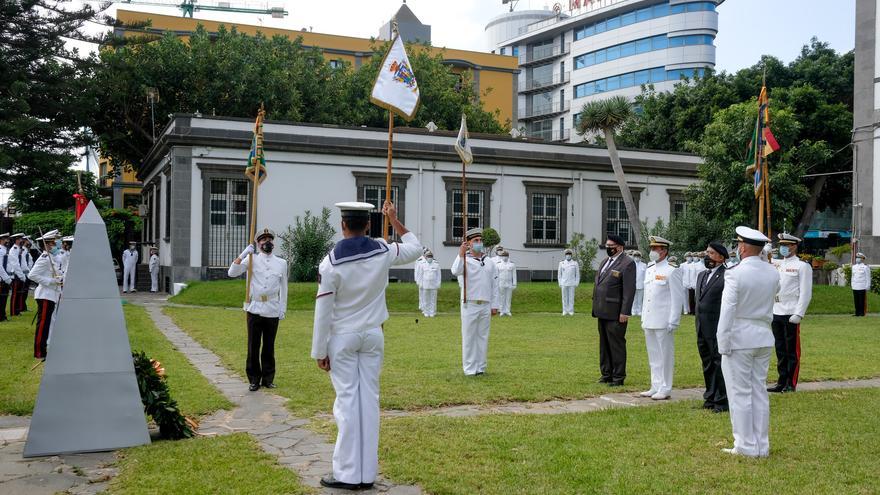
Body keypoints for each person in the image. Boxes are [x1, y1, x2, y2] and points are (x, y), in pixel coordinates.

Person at [311, 202, 420, 491]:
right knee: (368, 401)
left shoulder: (330, 262)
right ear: (368, 225)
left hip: (343, 337)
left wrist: (319, 351)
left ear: (342, 225)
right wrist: (395, 220)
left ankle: (348, 473)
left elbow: (323, 311)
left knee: (347, 403)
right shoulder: (383, 250)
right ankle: (366, 473)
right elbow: (416, 247)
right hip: (373, 335)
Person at [717, 226, 779, 458]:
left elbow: (728, 311)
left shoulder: (735, 273)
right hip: (763, 335)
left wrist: (722, 341)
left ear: (742, 247)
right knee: (758, 391)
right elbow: (777, 290)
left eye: (738, 244)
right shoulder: (773, 272)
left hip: (740, 336)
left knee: (740, 393)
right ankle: (761, 445)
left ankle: (745, 445)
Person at [229, 228, 288, 392]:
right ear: (257, 243)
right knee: (253, 346)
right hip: (254, 308)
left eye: (269, 239)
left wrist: (282, 308)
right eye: (263, 239)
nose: (267, 242)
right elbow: (231, 272)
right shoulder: (251, 259)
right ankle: (254, 379)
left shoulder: (281, 263)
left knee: (269, 346)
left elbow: (284, 288)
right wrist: (243, 254)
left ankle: (268, 379)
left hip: (272, 308)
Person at [639, 236, 684, 400]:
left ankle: (665, 387)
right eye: (651, 249)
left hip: (664, 320)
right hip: (650, 318)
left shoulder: (672, 270)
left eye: (655, 249)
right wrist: (643, 317)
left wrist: (673, 320)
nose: (652, 252)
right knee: (653, 355)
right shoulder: (650, 268)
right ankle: (655, 385)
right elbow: (647, 296)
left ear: (664, 251)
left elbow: (677, 298)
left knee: (665, 355)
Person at [451, 228, 499, 376]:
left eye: (480, 240)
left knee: (483, 337)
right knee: (469, 337)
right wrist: (460, 253)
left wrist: (495, 305)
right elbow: (455, 271)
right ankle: (470, 368)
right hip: (469, 303)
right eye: (475, 241)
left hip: (485, 304)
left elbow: (494, 285)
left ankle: (481, 367)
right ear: (469, 243)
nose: (479, 243)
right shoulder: (464, 259)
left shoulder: (489, 262)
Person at [768, 233, 813, 394]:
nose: (783, 248)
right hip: (776, 310)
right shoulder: (777, 264)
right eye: (781, 245)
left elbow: (806, 293)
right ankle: (781, 381)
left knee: (791, 350)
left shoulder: (802, 266)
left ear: (794, 246)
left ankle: (790, 383)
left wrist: (799, 313)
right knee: (780, 348)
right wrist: (764, 253)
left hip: (791, 311)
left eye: (786, 245)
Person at [592, 235, 636, 386]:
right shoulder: (605, 261)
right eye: (607, 244)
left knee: (616, 344)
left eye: (611, 245)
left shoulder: (627, 263)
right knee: (604, 345)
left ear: (620, 247)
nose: (608, 247)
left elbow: (629, 290)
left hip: (616, 312)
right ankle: (606, 374)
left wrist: (625, 312)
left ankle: (618, 376)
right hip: (601, 310)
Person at [695, 242, 730, 413]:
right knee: (707, 363)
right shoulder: (702, 275)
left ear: (721, 257)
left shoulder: (727, 275)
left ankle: (721, 400)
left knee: (719, 364)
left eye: (711, 253)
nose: (707, 256)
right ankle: (709, 396)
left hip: (717, 326)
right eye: (706, 252)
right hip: (702, 327)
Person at [30, 230, 64, 360]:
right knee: (43, 324)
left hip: (52, 295)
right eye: (53, 243)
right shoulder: (44, 258)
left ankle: (44, 348)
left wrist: (59, 279)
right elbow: (32, 275)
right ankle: (39, 352)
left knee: (48, 324)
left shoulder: (52, 258)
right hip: (45, 295)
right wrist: (51, 281)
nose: (56, 245)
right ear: (47, 245)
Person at [8, 233, 26, 316]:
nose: (21, 240)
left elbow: (22, 262)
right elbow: (15, 264)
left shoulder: (19, 249)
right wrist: (21, 275)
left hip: (20, 274)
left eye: (21, 239)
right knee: (15, 294)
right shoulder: (14, 249)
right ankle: (13, 312)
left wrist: (24, 273)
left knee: (19, 293)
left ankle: (17, 310)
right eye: (19, 239)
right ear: (16, 240)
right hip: (16, 274)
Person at [558, 248, 580, 316]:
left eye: (569, 254)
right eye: (567, 254)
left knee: (571, 297)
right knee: (564, 297)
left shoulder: (575, 263)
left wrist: (577, 282)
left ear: (571, 255)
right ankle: (564, 310)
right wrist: (560, 282)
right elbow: (559, 274)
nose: (568, 255)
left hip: (572, 283)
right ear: (565, 255)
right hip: (564, 283)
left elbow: (577, 274)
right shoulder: (561, 263)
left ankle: (571, 310)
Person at [419, 250, 441, 317]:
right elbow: (421, 275)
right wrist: (421, 284)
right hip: (425, 285)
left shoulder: (436, 265)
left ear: (433, 257)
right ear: (425, 257)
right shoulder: (423, 265)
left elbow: (439, 276)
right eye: (428, 256)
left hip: (433, 285)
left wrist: (438, 284)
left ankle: (432, 312)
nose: (429, 257)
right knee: (426, 299)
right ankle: (426, 312)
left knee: (433, 300)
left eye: (431, 256)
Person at [496, 250, 517, 316]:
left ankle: (508, 310)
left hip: (509, 283)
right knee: (501, 297)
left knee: (508, 297)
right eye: (503, 256)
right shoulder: (498, 264)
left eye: (506, 256)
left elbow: (514, 275)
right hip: (501, 282)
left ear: (508, 256)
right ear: (501, 257)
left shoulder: (512, 264)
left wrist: (514, 284)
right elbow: (496, 275)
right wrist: (496, 284)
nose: (504, 257)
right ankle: (501, 310)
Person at [0, 233, 11, 322]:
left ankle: (3, 315)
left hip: (6, 276)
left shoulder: (5, 249)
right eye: (5, 239)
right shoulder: (0, 250)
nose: (7, 241)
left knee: (4, 298)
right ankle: (1, 316)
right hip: (2, 278)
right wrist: (5, 278)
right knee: (2, 298)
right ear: (1, 240)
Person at [631, 251, 646, 316]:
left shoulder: (644, 265)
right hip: (633, 284)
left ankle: (639, 311)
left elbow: (646, 275)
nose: (637, 258)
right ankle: (633, 310)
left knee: (640, 299)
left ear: (640, 257)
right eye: (635, 256)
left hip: (641, 284)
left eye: (638, 256)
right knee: (634, 299)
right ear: (633, 257)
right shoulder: (631, 264)